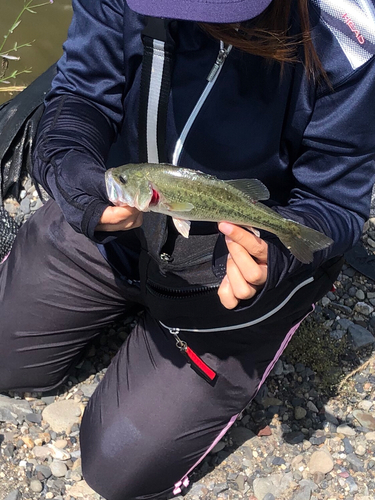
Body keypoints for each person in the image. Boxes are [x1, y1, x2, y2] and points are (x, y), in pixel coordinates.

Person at [1, 0, 375, 498]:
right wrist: (71, 167)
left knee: (118, 469)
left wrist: (275, 255)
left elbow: (335, 203)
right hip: (115, 228)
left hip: (223, 282)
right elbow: (79, 93)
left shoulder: (347, 39)